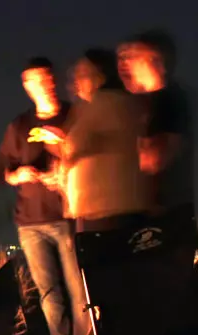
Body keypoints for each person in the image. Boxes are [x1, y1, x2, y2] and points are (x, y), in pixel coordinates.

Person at [0, 57, 88, 335]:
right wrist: (20, 174)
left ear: (54, 79)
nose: (43, 85)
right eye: (34, 80)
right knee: (49, 293)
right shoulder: (18, 126)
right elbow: (5, 171)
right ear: (26, 85)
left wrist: (62, 171)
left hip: (68, 215)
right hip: (30, 222)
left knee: (79, 289)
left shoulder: (73, 115)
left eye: (47, 78)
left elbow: (87, 157)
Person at [120, 31, 198, 335]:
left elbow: (156, 159)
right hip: (155, 207)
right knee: (154, 285)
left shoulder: (170, 101)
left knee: (172, 283)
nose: (125, 66)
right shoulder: (149, 103)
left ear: (152, 60)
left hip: (170, 206)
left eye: (131, 58)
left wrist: (125, 151)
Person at [33, 48, 150, 226]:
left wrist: (64, 146)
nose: (76, 80)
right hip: (95, 209)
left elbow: (97, 146)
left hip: (107, 211)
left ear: (101, 77)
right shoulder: (87, 108)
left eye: (83, 73)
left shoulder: (111, 103)